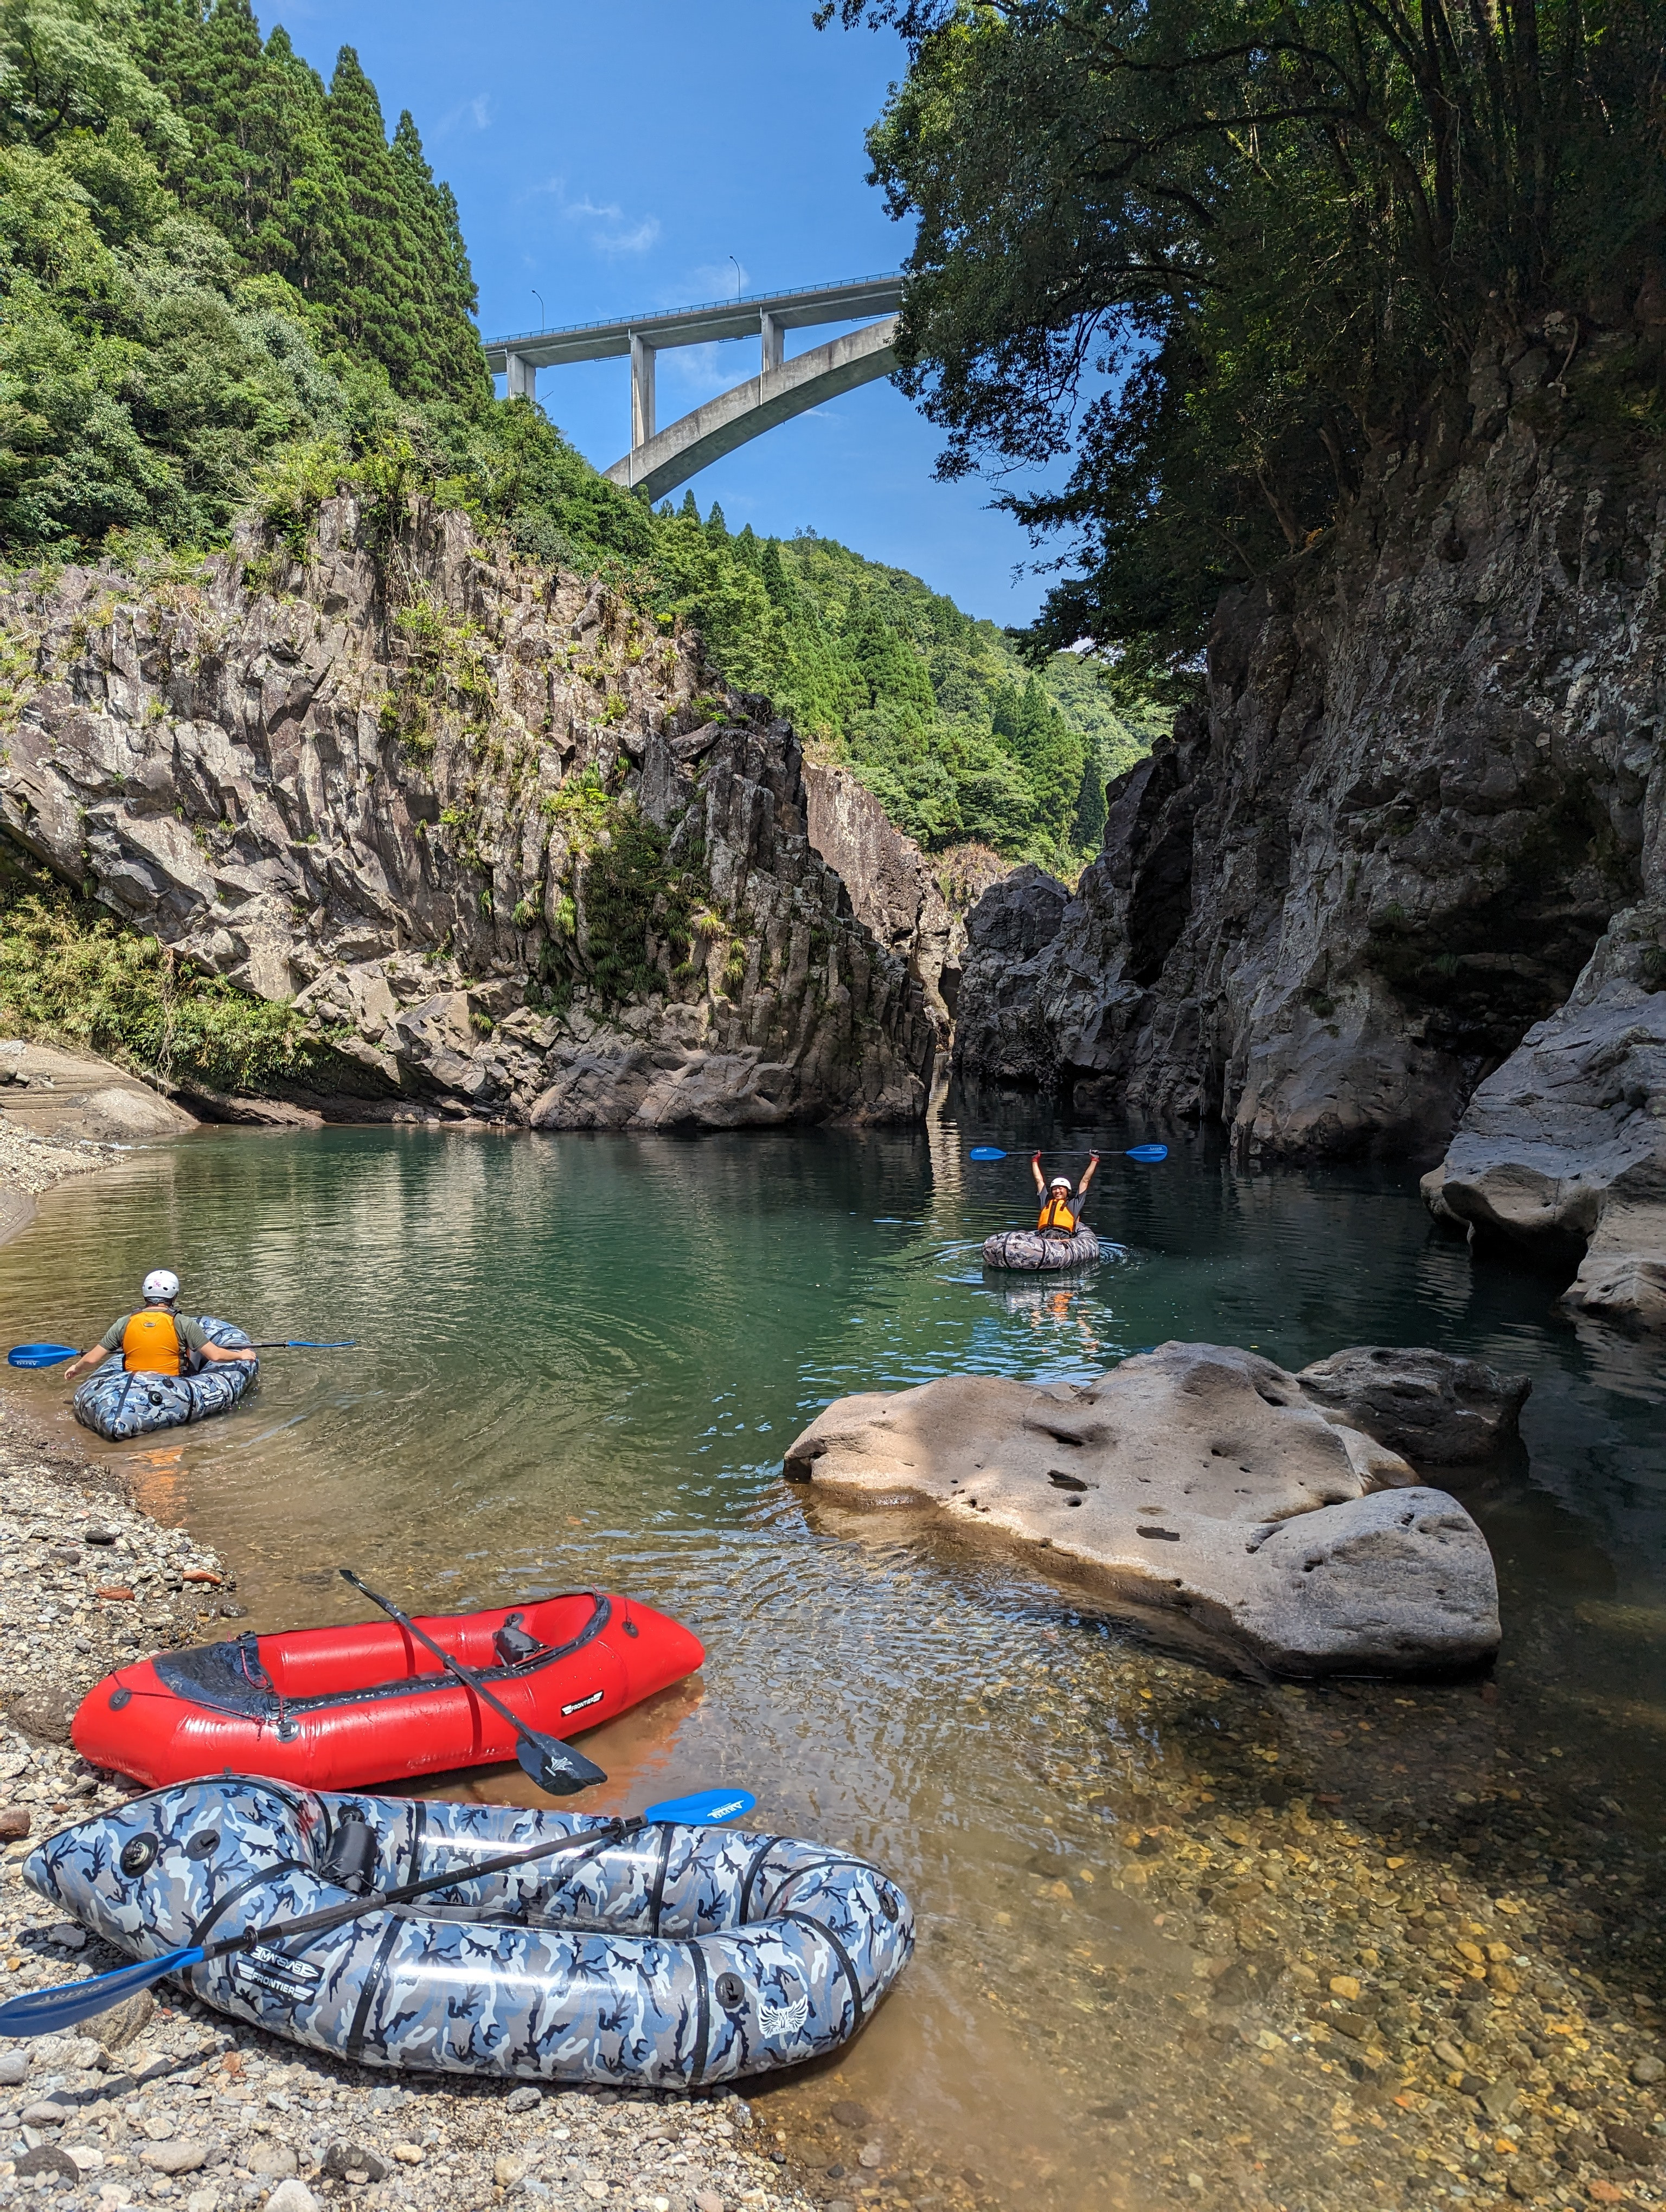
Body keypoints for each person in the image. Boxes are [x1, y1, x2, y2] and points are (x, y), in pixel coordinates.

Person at [61, 1271, 252, 1382]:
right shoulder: (183, 1323)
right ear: (174, 1296)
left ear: (145, 1295)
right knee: (194, 1351)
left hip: (133, 1382)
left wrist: (77, 1368)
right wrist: (241, 1355)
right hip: (172, 1383)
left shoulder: (125, 1322)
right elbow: (216, 1355)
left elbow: (92, 1359)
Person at [1031, 1152, 1099, 1234]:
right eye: (1055, 1189)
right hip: (1044, 1235)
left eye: (1061, 1189)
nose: (1057, 1191)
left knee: (1052, 1236)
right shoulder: (1046, 1203)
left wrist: (1094, 1160)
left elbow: (1085, 1180)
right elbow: (1039, 1181)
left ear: (1068, 1191)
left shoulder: (1074, 1205)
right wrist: (1035, 1160)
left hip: (1062, 1238)